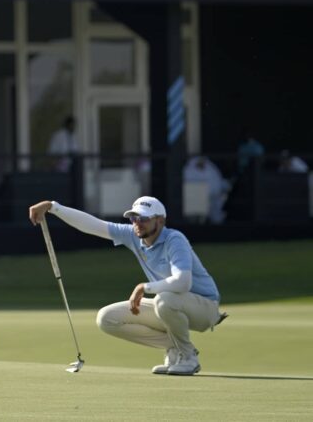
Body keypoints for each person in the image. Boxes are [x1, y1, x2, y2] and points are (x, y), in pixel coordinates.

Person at [28, 196, 225, 375]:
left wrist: (144, 288)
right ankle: (174, 346)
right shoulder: (132, 234)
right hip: (170, 304)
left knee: (164, 299)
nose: (138, 223)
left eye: (144, 218)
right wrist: (53, 207)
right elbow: (92, 225)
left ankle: (188, 356)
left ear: (160, 221)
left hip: (205, 307)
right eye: (134, 218)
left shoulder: (175, 239)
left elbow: (183, 282)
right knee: (107, 318)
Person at [183, 156, 229, 224]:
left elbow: (217, 182)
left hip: (213, 197)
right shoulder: (189, 170)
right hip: (195, 198)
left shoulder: (211, 168)